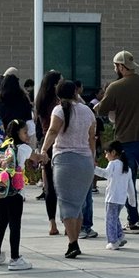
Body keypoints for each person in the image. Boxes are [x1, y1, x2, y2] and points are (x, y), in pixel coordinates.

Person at [94, 50, 139, 233]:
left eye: (116, 66)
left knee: (128, 182)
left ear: (120, 67)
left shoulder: (115, 87)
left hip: (124, 141)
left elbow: (102, 110)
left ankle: (133, 222)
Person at [38, 79, 97, 258]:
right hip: (85, 160)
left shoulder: (59, 109)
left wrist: (43, 149)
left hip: (64, 159)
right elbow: (92, 137)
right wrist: (92, 158)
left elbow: (53, 131)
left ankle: (73, 243)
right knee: (78, 204)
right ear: (75, 92)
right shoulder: (87, 110)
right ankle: (75, 240)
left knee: (66, 203)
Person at [0, 120, 42, 271]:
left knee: (2, 221)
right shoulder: (24, 148)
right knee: (15, 224)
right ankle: (15, 258)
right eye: (25, 132)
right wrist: (44, 156)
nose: (27, 135)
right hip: (15, 192)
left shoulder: (1, 146)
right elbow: (36, 158)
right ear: (17, 133)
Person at [33, 70, 63, 237]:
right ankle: (67, 221)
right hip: (59, 143)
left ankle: (52, 223)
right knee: (63, 185)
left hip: (46, 141)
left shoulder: (40, 101)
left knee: (49, 185)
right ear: (55, 84)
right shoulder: (59, 103)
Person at [93, 140, 132, 250]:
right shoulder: (127, 167)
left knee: (110, 220)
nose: (106, 156)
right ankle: (120, 236)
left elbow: (105, 174)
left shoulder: (113, 164)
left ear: (113, 152)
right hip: (121, 199)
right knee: (115, 218)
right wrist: (132, 200)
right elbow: (130, 186)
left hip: (112, 198)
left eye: (107, 153)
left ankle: (113, 241)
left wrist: (93, 168)